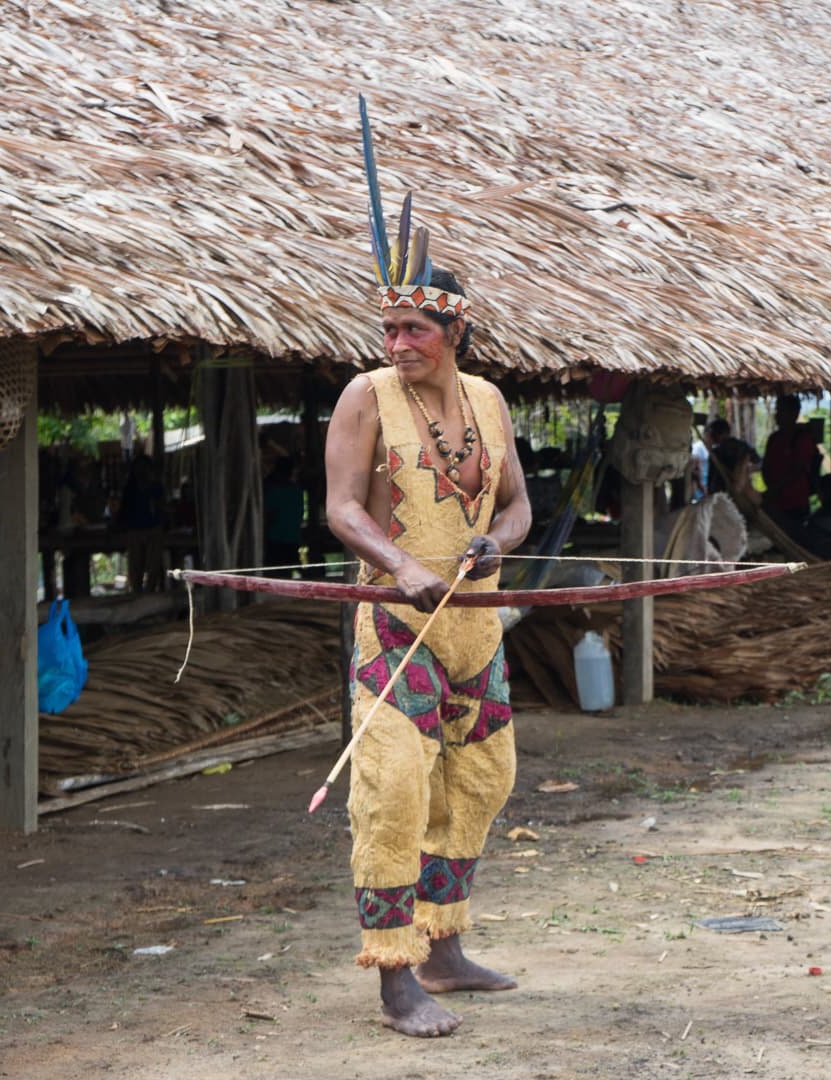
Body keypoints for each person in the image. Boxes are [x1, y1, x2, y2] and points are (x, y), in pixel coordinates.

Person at [324, 158, 531, 1038]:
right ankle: (395, 976)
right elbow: (339, 506)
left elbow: (518, 504)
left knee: (483, 776)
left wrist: (496, 543)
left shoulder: (488, 400)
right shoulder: (364, 397)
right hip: (396, 625)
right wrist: (400, 564)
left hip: (475, 630)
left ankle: (445, 949)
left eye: (414, 329)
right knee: (396, 788)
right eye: (390, 328)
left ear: (453, 331)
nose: (397, 343)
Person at [761, 394, 820, 539]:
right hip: (775, 503)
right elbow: (766, 466)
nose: (777, 415)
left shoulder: (802, 439)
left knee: (795, 539)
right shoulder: (774, 439)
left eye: (782, 411)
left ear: (794, 413)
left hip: (795, 502)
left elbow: (798, 469)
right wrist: (770, 488)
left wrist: (776, 488)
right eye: (777, 410)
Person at [118, 454, 167, 593]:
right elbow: (124, 510)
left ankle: (150, 591)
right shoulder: (130, 488)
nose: (141, 471)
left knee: (153, 566)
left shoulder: (155, 487)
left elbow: (162, 507)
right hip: (135, 530)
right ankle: (137, 592)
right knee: (135, 566)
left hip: (153, 529)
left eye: (144, 468)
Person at [263, 455, 306, 576]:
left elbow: (268, 516)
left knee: (274, 574)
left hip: (275, 540)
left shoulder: (273, 492)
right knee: (287, 574)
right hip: (293, 539)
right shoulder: (297, 492)